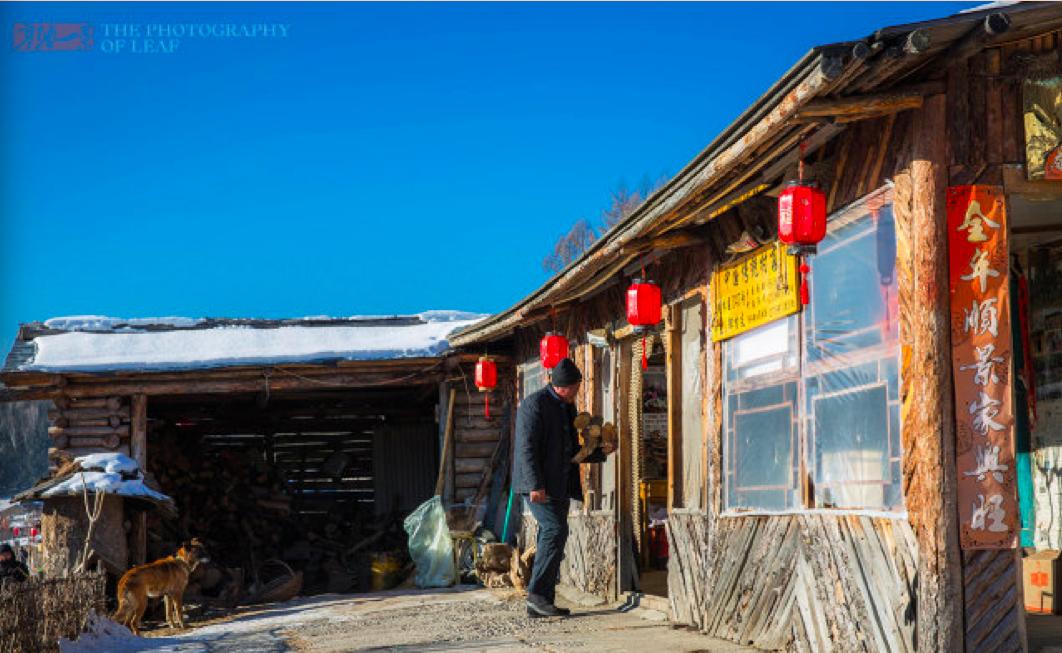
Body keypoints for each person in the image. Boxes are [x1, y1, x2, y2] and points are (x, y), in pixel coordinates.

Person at [513, 357, 615, 618]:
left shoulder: (567, 407)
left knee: (554, 535)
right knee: (554, 530)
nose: (578, 391)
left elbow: (571, 450)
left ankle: (542, 600)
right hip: (538, 485)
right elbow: (526, 449)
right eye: (576, 387)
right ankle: (537, 596)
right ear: (564, 386)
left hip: (560, 484)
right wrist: (535, 484)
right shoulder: (533, 405)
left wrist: (601, 452)